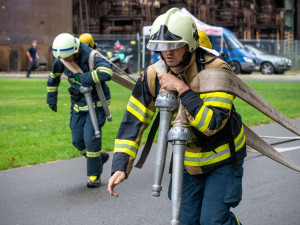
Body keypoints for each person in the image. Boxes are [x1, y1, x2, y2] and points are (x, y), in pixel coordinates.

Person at [108, 8, 246, 225]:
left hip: (223, 160)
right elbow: (133, 121)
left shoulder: (218, 71)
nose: (167, 53)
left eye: (174, 45)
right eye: (162, 46)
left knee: (212, 222)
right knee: (186, 221)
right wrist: (120, 165)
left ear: (190, 44)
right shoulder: (154, 75)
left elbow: (211, 124)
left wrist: (182, 89)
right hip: (188, 161)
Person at [47, 33, 112, 188]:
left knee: (91, 139)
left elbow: (106, 72)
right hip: (77, 103)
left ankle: (94, 175)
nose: (65, 61)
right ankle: (97, 158)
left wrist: (82, 78)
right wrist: (51, 98)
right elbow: (54, 76)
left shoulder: (90, 56)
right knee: (77, 140)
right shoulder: (63, 56)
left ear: (76, 50)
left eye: (69, 58)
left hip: (95, 103)